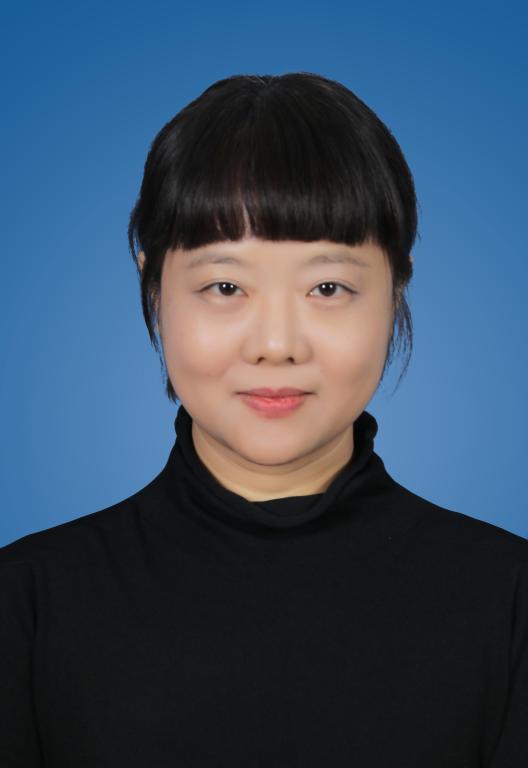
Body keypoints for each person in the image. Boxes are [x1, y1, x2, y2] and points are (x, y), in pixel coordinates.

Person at [1, 72, 527, 767]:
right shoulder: (28, 603)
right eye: (225, 286)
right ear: (154, 289)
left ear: (396, 289)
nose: (276, 344)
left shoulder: (509, 599)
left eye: (328, 286)